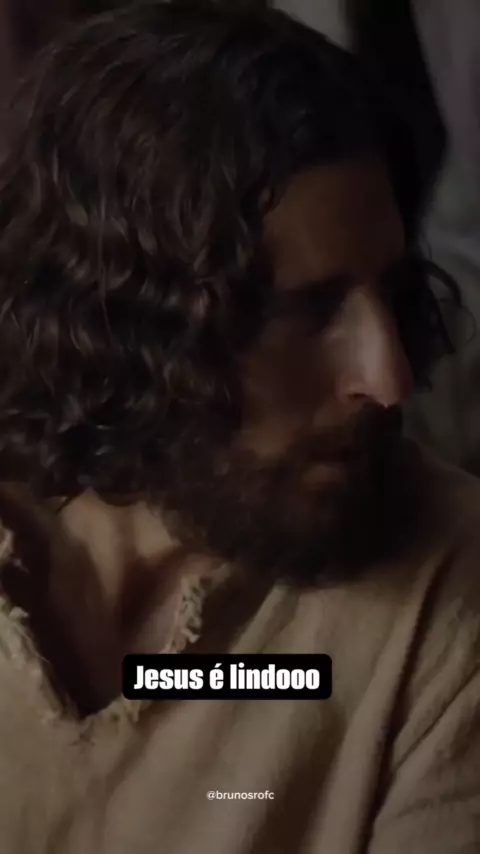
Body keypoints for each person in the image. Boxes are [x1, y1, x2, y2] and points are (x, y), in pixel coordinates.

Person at [0, 2, 478, 852]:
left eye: (391, 294)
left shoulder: (445, 597)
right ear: (125, 324)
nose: (389, 379)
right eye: (309, 312)